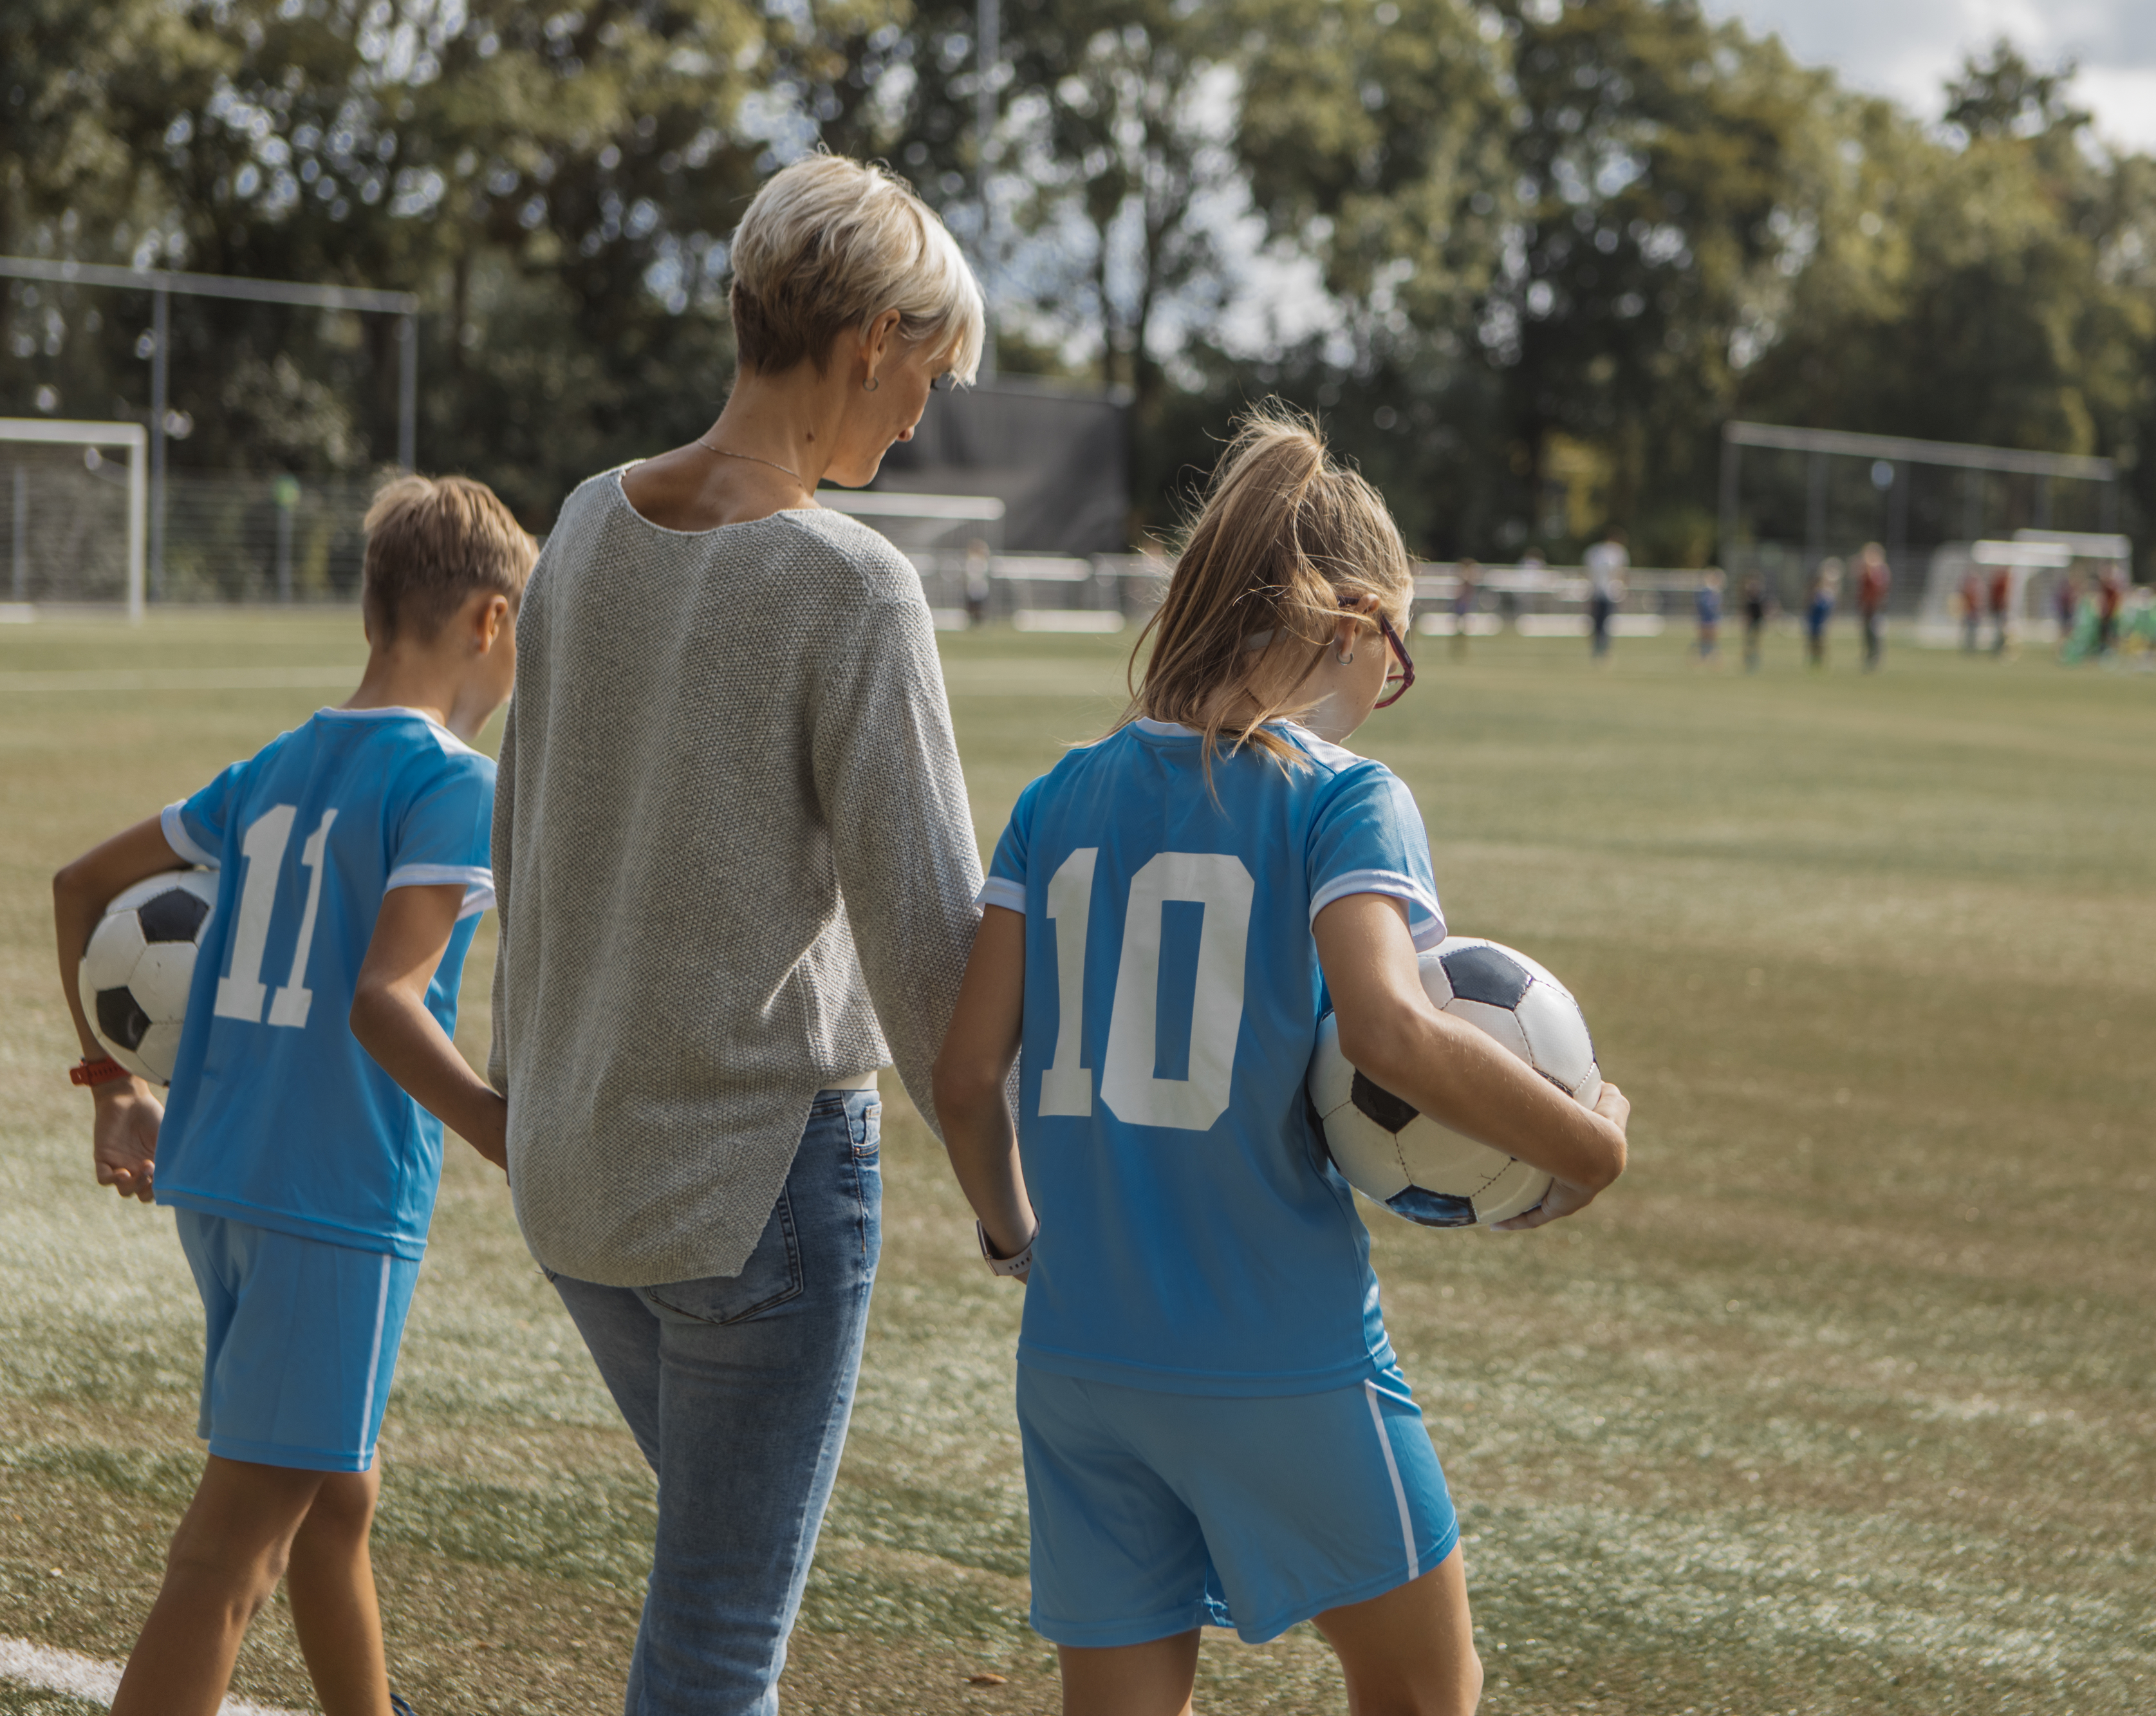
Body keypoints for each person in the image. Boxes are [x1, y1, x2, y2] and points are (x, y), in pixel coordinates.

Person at [931, 411, 1630, 1716]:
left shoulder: (1053, 800)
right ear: (1355, 623)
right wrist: (1584, 1141)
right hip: (1281, 1351)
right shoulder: (1340, 795)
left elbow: (966, 1075)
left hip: (1079, 1357)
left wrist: (1014, 1234)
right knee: (1426, 1692)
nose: (1387, 689)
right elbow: (1388, 1030)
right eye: (1400, 654)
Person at [487, 154, 992, 1712]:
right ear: (866, 342)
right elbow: (931, 946)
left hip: (580, 1176)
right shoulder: (854, 585)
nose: (919, 419)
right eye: (925, 374)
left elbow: (523, 850)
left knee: (720, 1599)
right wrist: (1014, 1199)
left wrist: (531, 1098)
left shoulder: (577, 521)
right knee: (714, 1645)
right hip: (753, 1189)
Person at [51, 475, 531, 1716]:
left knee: (335, 1495)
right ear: (491, 621)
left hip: (224, 1181)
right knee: (230, 1556)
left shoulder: (275, 764)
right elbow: (388, 996)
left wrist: (112, 1089)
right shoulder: (452, 784)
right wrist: (498, 1128)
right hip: (333, 1198)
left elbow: (77, 883)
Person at [1584, 527, 1627, 659]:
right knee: (1598, 621)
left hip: (1610, 593)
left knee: (1606, 622)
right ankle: (1598, 647)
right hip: (1598, 592)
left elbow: (1621, 574)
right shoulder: (1598, 553)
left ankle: (1604, 649)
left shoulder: (1617, 553)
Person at [1855, 544, 1889, 671]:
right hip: (1867, 607)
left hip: (1876, 607)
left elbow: (1881, 589)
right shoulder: (1866, 571)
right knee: (1867, 633)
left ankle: (1875, 657)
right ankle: (1869, 656)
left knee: (1874, 633)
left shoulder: (1881, 571)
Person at [1805, 559, 1839, 668]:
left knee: (1821, 642)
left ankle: (1821, 661)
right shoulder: (1815, 591)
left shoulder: (1829, 594)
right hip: (1813, 620)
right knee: (1813, 641)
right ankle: (1813, 659)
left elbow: (1830, 610)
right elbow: (1809, 606)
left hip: (1822, 621)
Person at [1449, 557, 1480, 660]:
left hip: (1465, 606)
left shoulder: (1467, 580)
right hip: (1461, 606)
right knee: (1458, 628)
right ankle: (1457, 648)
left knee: (1464, 629)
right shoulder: (1464, 580)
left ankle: (1461, 649)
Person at [1695, 568, 1727, 665]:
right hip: (1706, 619)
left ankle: (1712, 658)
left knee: (1711, 641)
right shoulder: (1707, 591)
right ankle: (1705, 658)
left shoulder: (1715, 592)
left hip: (1711, 620)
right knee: (1705, 640)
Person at [1741, 570, 1768, 670]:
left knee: (1756, 644)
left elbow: (1762, 613)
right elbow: (1747, 615)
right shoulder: (1749, 601)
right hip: (1751, 624)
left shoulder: (1759, 600)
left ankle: (1755, 661)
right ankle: (1748, 660)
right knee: (1749, 644)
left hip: (1757, 624)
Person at [1986, 564, 2011, 656]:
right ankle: (1999, 651)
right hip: (2000, 610)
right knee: (2000, 632)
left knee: (2000, 631)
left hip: (2000, 610)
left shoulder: (2003, 582)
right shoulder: (2002, 582)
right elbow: (2000, 598)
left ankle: (2000, 650)